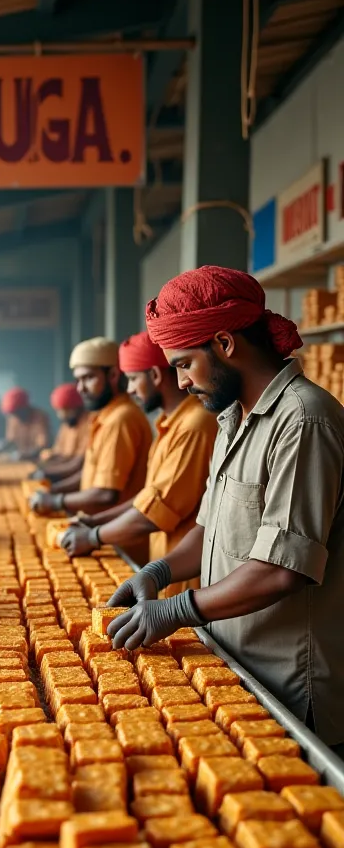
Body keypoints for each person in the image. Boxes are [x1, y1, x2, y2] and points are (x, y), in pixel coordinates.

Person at [107, 266, 344, 760]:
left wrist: (178, 610)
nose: (181, 380)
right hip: (237, 667)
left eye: (184, 363)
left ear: (225, 343)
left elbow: (282, 570)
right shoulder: (233, 419)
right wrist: (161, 570)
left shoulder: (304, 420)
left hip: (290, 687)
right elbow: (209, 529)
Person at [61, 330, 217, 597]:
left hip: (185, 577)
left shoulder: (194, 426)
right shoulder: (168, 426)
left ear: (155, 376)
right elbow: (146, 498)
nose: (130, 388)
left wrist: (93, 535)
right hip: (161, 565)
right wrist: (92, 522)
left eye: (132, 379)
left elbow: (153, 513)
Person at [30, 337, 152, 563]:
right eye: (78, 380)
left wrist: (56, 501)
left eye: (88, 378)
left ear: (114, 375)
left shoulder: (121, 419)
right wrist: (54, 490)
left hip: (119, 542)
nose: (80, 388)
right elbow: (87, 472)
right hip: (99, 534)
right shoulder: (104, 418)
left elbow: (106, 492)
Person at [36, 383, 91, 482]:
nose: (61, 415)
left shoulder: (90, 423)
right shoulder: (66, 424)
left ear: (78, 407)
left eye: (66, 410)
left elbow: (78, 463)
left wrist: (46, 473)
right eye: (59, 411)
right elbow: (60, 453)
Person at [1, 386, 51, 459]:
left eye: (17, 412)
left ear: (25, 407)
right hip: (19, 460)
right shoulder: (13, 419)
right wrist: (4, 446)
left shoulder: (40, 417)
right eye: (13, 413)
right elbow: (11, 440)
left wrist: (29, 454)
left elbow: (43, 443)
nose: (15, 416)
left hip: (38, 459)